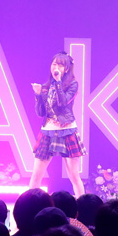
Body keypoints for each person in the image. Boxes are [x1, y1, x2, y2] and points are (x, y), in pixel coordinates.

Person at [29, 51, 85, 195]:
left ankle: (82, 204)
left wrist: (58, 82)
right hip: (48, 131)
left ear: (66, 69)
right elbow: (41, 112)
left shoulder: (72, 84)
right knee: (36, 175)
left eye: (60, 65)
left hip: (67, 131)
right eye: (54, 64)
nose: (56, 67)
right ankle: (30, 204)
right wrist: (38, 94)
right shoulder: (46, 86)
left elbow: (62, 103)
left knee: (74, 176)